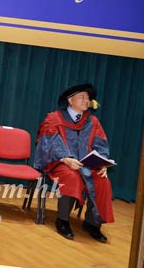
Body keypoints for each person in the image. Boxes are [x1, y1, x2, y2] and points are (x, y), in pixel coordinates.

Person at [33, 83, 115, 242]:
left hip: (86, 165)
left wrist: (102, 164)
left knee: (102, 181)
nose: (87, 101)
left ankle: (92, 223)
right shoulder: (54, 118)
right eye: (82, 97)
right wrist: (65, 158)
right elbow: (49, 143)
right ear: (70, 100)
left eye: (88, 98)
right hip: (59, 162)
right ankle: (62, 220)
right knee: (72, 177)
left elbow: (101, 145)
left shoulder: (93, 122)